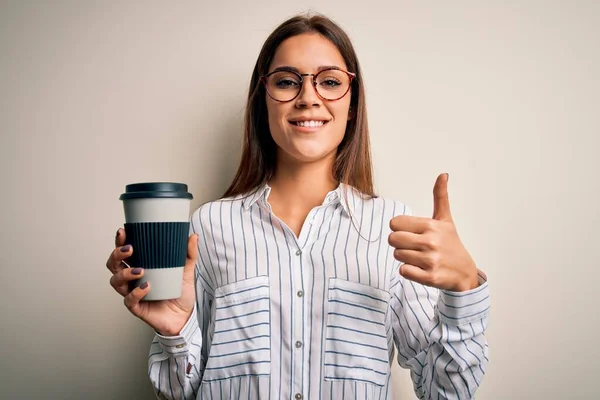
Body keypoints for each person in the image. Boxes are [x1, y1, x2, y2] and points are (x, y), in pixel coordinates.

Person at [106, 13, 489, 400]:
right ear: (263, 102)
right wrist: (173, 330)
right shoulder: (210, 226)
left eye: (330, 82)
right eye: (288, 81)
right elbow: (180, 392)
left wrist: (464, 290)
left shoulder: (391, 230)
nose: (308, 97)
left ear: (352, 105)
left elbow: (446, 393)